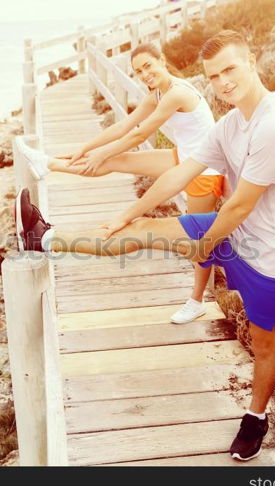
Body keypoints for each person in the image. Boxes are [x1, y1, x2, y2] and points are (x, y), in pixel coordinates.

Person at [15, 30, 275, 461]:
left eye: (231, 69)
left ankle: (255, 418)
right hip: (232, 231)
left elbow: (239, 206)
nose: (224, 82)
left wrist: (203, 245)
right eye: (214, 76)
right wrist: (129, 212)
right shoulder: (231, 124)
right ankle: (42, 238)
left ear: (252, 62)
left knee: (264, 342)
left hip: (271, 257)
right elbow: (181, 172)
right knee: (136, 232)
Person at [25, 43, 225, 324]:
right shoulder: (156, 92)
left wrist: (102, 153)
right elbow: (124, 126)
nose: (145, 74)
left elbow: (140, 133)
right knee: (120, 160)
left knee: (200, 241)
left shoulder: (177, 93)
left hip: (205, 171)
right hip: (186, 157)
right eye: (139, 71)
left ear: (162, 61)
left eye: (148, 66)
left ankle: (196, 301)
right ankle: (48, 164)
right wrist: (87, 148)